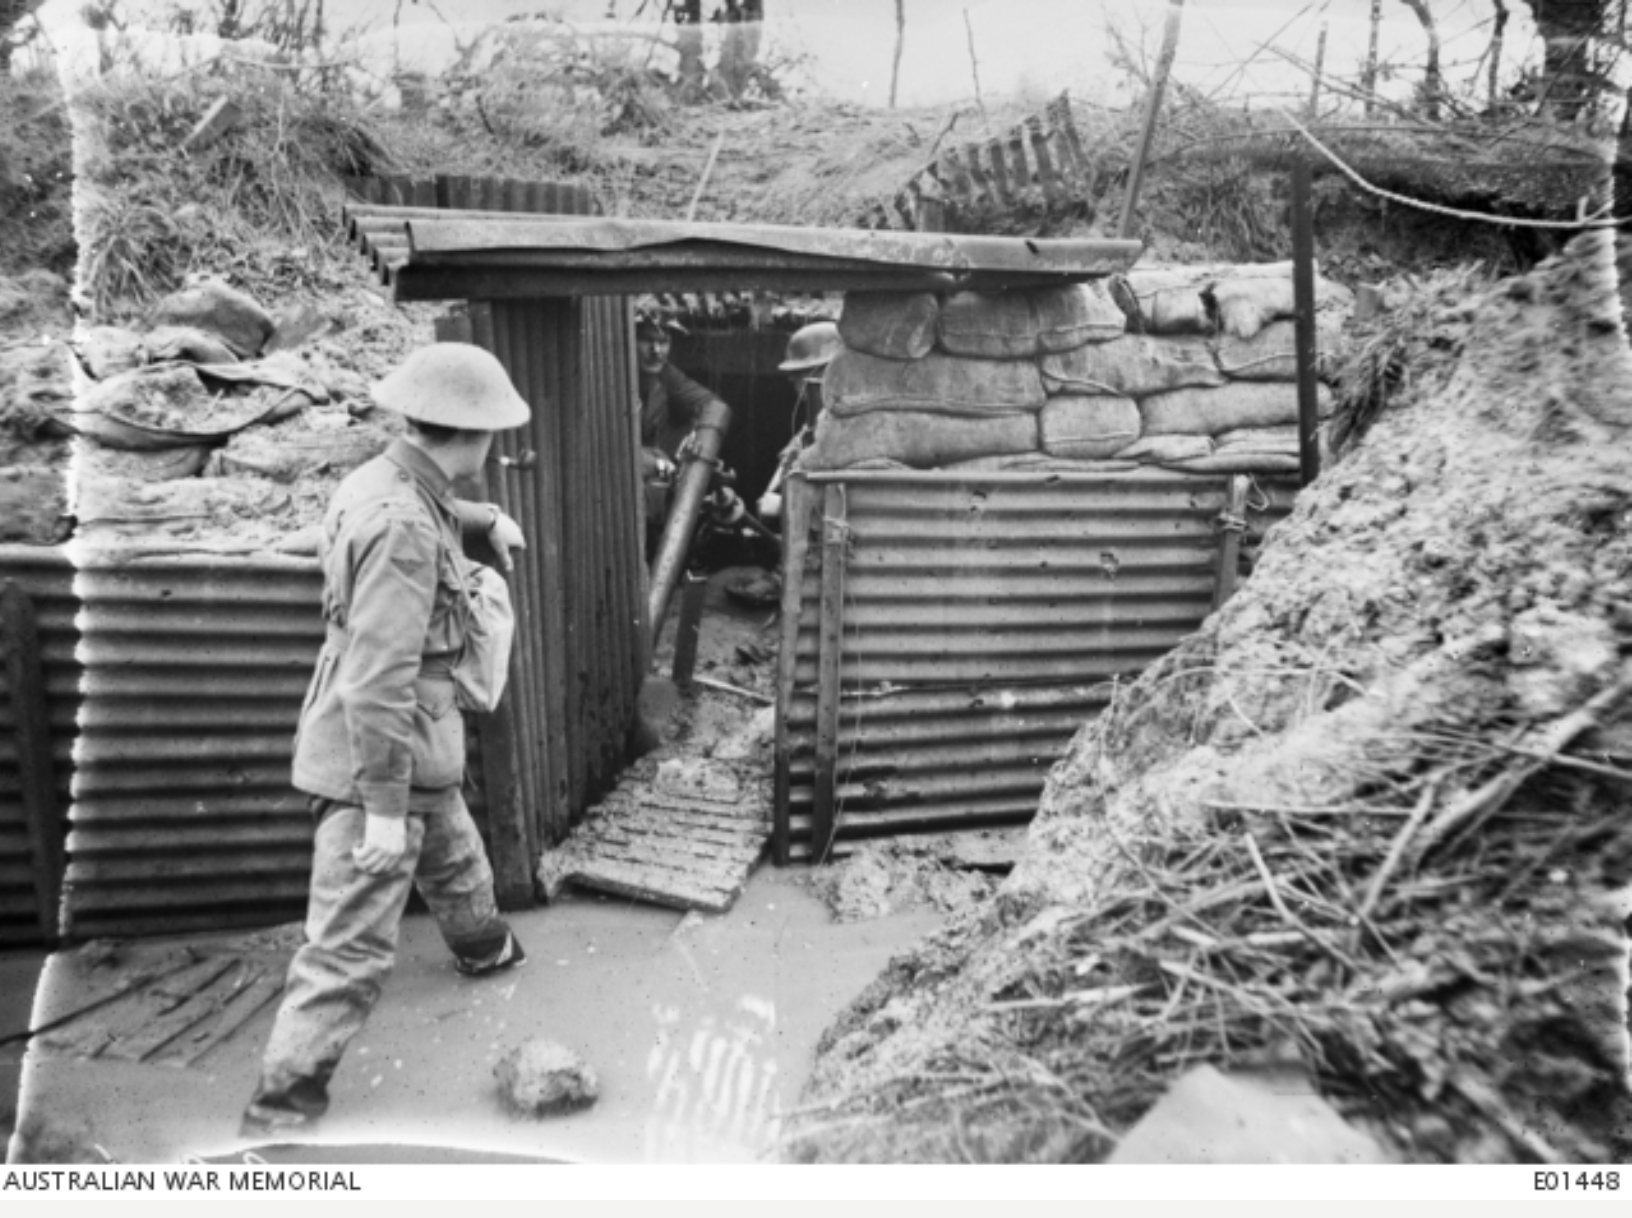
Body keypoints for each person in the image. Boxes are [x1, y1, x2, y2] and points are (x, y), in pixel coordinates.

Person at [241, 343, 532, 1139]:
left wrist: (485, 519)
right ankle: (277, 1123)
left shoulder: (385, 480)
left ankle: (485, 948)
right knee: (347, 951)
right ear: (467, 434)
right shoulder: (402, 523)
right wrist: (378, 811)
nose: (493, 448)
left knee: (456, 857)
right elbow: (378, 678)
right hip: (381, 758)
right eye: (490, 435)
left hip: (418, 756)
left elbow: (431, 516)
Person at [637, 310, 728, 543]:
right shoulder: (613, 375)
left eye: (663, 342)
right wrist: (655, 462)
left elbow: (713, 406)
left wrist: (696, 437)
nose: (656, 351)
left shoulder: (666, 374)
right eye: (647, 340)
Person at [757, 320, 841, 526]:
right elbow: (790, 459)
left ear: (827, 372)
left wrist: (784, 503)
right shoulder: (814, 423)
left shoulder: (848, 425)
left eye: (800, 372)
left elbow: (844, 491)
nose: (792, 380)